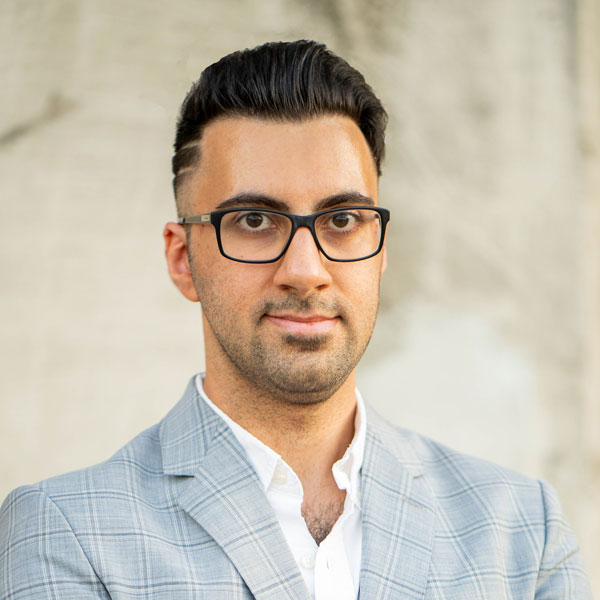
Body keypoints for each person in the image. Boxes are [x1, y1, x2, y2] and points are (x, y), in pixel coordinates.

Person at [0, 40, 592, 600]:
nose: (305, 271)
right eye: (255, 221)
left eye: (342, 220)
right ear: (183, 260)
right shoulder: (67, 533)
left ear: (381, 251)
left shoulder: (519, 530)